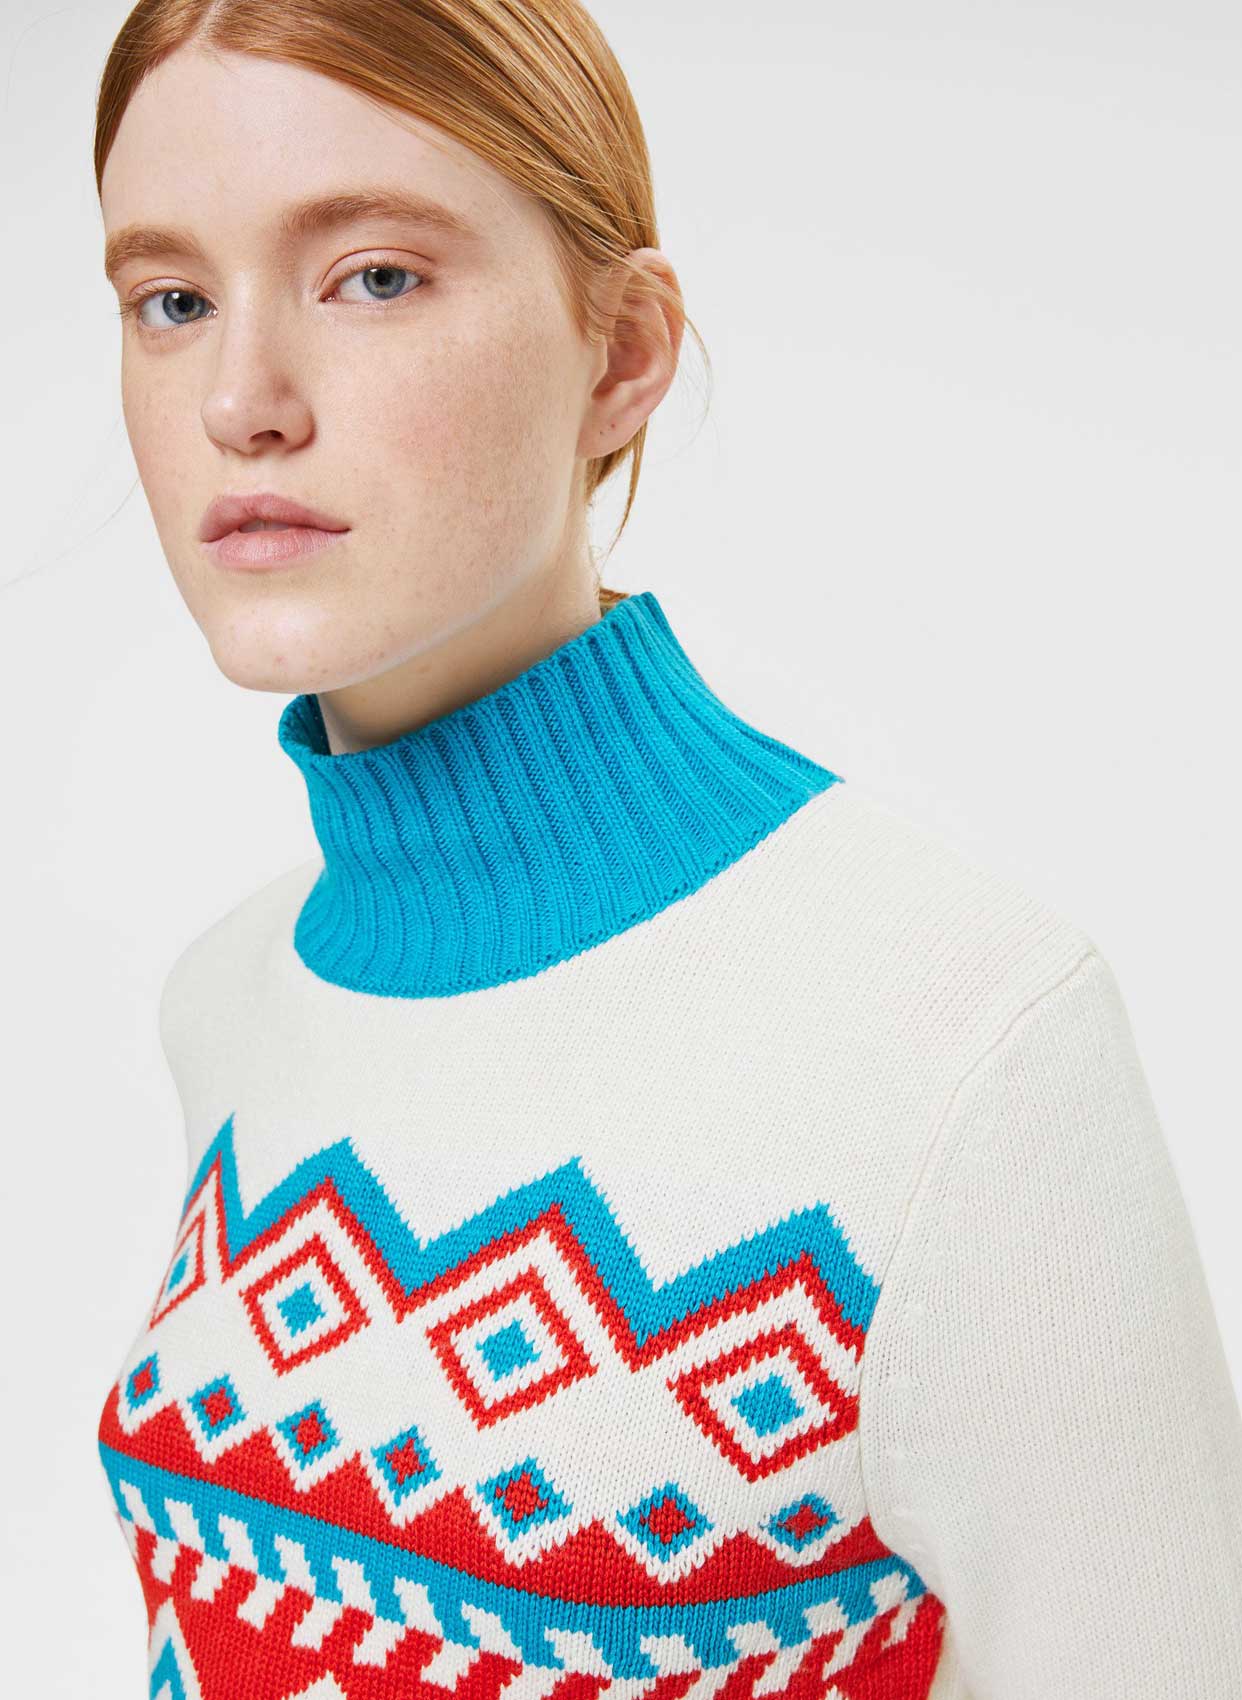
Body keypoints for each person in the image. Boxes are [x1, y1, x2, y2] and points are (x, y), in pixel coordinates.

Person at [94, 3, 1242, 1697]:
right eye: (171, 301)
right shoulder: (230, 998)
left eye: (374, 276)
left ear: (621, 353)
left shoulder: (963, 1045)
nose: (240, 401)